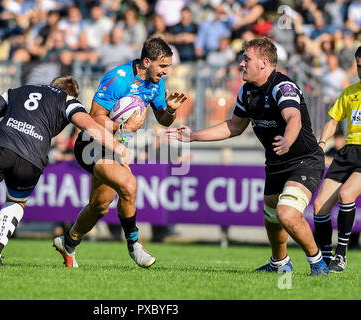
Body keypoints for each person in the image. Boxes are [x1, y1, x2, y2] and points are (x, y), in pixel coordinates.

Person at [0, 76, 130, 266]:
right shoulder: (69, 102)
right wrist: (118, 147)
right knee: (16, 202)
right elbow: (90, 126)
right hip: (32, 160)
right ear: (72, 95)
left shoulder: (17, 92)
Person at [167, 38, 329, 276]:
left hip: (304, 160)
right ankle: (280, 263)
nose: (241, 63)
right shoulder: (246, 90)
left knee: (287, 213)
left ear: (264, 63)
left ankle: (318, 263)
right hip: (276, 163)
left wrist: (287, 140)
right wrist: (193, 136)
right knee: (272, 215)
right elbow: (234, 126)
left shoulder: (281, 86)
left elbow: (294, 117)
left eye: (246, 59)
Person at [53, 37, 187, 269]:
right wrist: (122, 128)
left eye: (168, 66)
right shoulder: (118, 78)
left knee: (99, 206)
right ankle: (134, 244)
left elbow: (163, 119)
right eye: (163, 66)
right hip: (92, 144)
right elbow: (93, 119)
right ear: (147, 61)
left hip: (116, 146)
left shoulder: (156, 83)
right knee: (128, 185)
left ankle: (68, 242)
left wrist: (171, 112)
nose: (166, 71)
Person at [313, 46, 361, 273]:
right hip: (348, 151)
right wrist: (322, 143)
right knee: (319, 207)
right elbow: (333, 121)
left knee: (346, 194)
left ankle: (341, 256)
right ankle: (325, 257)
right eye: (359, 66)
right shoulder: (350, 92)